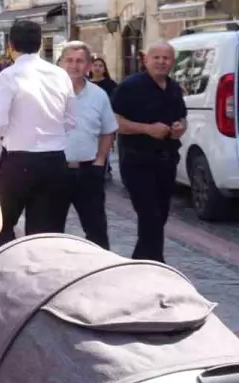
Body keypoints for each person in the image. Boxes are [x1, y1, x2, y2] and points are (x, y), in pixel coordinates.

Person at [0, 20, 76, 247]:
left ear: (11, 45)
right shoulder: (60, 75)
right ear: (38, 45)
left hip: (19, 160)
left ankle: (14, 263)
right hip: (55, 160)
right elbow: (71, 120)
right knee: (46, 234)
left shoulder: (9, 75)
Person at [111, 41, 187, 262]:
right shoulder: (129, 87)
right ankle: (155, 263)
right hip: (137, 162)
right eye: (157, 57)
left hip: (167, 161)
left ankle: (141, 260)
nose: (162, 62)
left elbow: (182, 117)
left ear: (172, 62)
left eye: (167, 58)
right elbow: (113, 120)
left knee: (160, 215)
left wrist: (180, 127)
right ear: (146, 59)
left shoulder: (173, 88)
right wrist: (147, 129)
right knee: (150, 216)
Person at [58, 42, 117, 250]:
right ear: (61, 63)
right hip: (56, 172)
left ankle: (101, 272)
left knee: (96, 229)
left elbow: (108, 129)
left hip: (88, 171)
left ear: (89, 65)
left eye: (80, 61)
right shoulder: (49, 93)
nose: (74, 66)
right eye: (70, 60)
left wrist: (100, 160)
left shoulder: (98, 95)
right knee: (50, 231)